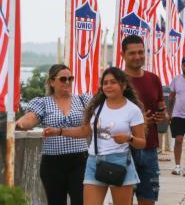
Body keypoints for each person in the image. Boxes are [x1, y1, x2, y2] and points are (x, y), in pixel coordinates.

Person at [44, 67, 146, 205]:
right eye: (105, 83)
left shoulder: (132, 110)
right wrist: (60, 131)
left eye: (113, 82)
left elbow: (141, 143)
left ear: (123, 85)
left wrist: (129, 138)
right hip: (94, 161)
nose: (108, 86)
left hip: (120, 161)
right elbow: (84, 131)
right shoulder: (97, 106)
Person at [15, 64, 91, 205]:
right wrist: (16, 124)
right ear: (51, 82)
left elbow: (102, 113)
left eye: (70, 78)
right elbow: (30, 119)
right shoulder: (43, 103)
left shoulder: (82, 100)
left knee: (81, 201)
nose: (68, 82)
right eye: (63, 79)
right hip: (53, 163)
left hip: (80, 161)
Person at [120, 35, 168, 205]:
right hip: (123, 151)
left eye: (141, 52)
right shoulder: (116, 81)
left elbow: (163, 111)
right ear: (123, 55)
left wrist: (163, 117)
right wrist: (141, 123)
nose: (138, 56)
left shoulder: (154, 79)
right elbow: (106, 117)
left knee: (148, 201)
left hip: (150, 150)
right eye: (132, 53)